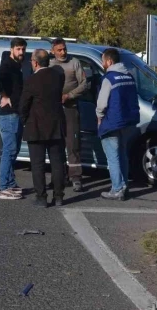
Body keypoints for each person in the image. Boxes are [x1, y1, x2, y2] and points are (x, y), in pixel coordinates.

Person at [19, 49, 67, 207]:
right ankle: (59, 196)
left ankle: (41, 197)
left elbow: (24, 105)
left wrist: (25, 120)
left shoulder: (31, 80)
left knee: (38, 164)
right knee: (57, 163)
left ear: (35, 62)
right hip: (56, 125)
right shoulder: (58, 77)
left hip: (36, 126)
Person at [96, 48, 140, 201]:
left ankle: (116, 189)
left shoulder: (109, 78)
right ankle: (124, 185)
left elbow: (102, 104)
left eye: (103, 61)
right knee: (122, 154)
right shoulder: (129, 76)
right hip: (128, 122)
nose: (102, 64)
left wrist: (99, 117)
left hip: (112, 122)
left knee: (112, 157)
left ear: (109, 61)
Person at [49, 38, 89, 192]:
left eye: (64, 49)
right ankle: (59, 177)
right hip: (53, 110)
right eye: (59, 50)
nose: (63, 52)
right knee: (56, 144)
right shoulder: (50, 64)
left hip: (71, 108)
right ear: (53, 51)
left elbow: (84, 84)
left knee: (73, 144)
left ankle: (76, 178)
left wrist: (69, 95)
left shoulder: (74, 63)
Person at [0, 37, 27, 200]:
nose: (21, 52)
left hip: (16, 114)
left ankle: (10, 183)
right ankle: (3, 188)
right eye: (18, 49)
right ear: (12, 49)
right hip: (9, 115)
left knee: (14, 151)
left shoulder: (17, 66)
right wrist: (4, 95)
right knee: (9, 151)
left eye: (23, 49)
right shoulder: (7, 65)